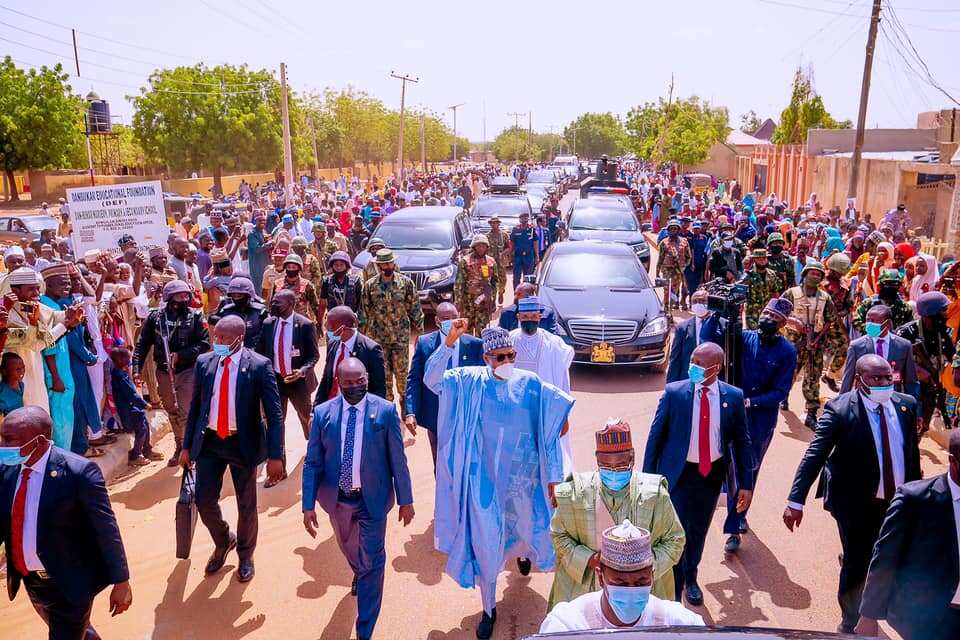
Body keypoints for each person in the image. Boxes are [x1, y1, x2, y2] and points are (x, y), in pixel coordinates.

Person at [425, 323, 574, 639]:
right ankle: (489, 608)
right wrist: (448, 344)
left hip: (523, 480)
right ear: (485, 358)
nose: (504, 362)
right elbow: (432, 379)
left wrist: (555, 478)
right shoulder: (469, 382)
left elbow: (554, 426)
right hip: (484, 484)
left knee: (522, 529)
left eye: (509, 356)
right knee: (486, 545)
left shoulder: (531, 385)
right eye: (497, 357)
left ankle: (522, 553)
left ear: (515, 355)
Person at [784, 354, 921, 634]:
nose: (884, 383)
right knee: (857, 561)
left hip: (897, 501)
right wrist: (795, 500)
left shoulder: (905, 406)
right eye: (876, 378)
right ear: (859, 380)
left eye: (888, 377)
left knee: (889, 555)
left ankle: (880, 607)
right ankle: (851, 622)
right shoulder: (840, 409)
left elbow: (912, 455)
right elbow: (815, 455)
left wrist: (916, 493)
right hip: (855, 502)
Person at [301, 356, 415, 640]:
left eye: (360, 381)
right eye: (349, 383)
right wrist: (308, 505)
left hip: (372, 500)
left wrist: (406, 499)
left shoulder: (386, 411)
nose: (356, 387)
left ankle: (365, 629)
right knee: (349, 549)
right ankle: (359, 569)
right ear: (338, 383)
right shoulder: (324, 414)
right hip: (338, 500)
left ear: (367, 379)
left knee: (372, 563)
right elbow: (313, 462)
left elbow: (398, 460)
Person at [0, 406, 132, 638]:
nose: (2, 445)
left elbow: (106, 529)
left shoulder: (78, 473)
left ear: (39, 441)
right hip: (31, 581)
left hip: (69, 582)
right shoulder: (8, 470)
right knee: (75, 630)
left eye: (8, 439)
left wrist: (121, 581)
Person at [642, 342, 753, 606]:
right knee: (676, 530)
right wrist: (647, 479)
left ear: (717, 368)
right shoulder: (675, 393)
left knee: (698, 531)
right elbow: (655, 438)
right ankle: (674, 586)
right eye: (693, 360)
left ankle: (691, 577)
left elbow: (742, 442)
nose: (694, 366)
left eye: (701, 364)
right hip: (677, 474)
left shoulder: (733, 397)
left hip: (710, 475)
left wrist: (746, 484)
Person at [180, 316, 285, 583]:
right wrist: (186, 447)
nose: (217, 342)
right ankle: (224, 539)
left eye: (223, 339)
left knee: (246, 504)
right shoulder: (205, 362)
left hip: (243, 444)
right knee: (204, 500)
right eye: (215, 337)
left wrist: (275, 456)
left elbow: (274, 415)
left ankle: (246, 555)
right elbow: (195, 408)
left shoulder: (260, 366)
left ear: (239, 338)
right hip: (211, 443)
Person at [548, 420, 685, 609]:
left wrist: (642, 568)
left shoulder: (654, 495)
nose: (613, 472)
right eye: (605, 466)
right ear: (597, 460)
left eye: (620, 466)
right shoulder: (575, 494)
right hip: (588, 591)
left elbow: (675, 540)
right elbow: (558, 534)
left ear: (632, 458)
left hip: (641, 593)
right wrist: (588, 559)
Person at [857, 429, 960, 639]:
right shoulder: (915, 499)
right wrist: (869, 614)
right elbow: (885, 557)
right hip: (926, 617)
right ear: (953, 461)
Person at [723, 298, 797, 553]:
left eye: (774, 317)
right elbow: (719, 338)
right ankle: (731, 509)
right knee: (725, 466)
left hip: (759, 421)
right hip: (731, 415)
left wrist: (750, 402)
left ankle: (735, 523)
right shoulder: (743, 338)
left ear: (783, 323)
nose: (767, 318)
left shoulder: (787, 352)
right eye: (766, 312)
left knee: (749, 469)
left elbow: (780, 392)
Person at [540, 519, 704, 632]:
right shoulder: (569, 625)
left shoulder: (676, 622)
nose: (631, 590)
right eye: (620, 583)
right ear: (601, 577)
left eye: (641, 582)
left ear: (652, 576)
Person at [135, 280, 210, 466]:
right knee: (172, 409)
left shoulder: (196, 317)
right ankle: (179, 444)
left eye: (186, 295)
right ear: (170, 297)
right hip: (163, 370)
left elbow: (204, 344)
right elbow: (142, 345)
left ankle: (191, 449)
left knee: (186, 410)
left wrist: (181, 355)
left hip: (188, 370)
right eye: (180, 295)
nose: (184, 299)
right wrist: (136, 369)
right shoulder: (155, 318)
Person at [404, 302, 483, 470]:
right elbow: (415, 379)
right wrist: (410, 411)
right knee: (440, 464)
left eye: (455, 317)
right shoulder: (425, 343)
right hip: (436, 414)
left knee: (466, 462)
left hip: (465, 414)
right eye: (446, 319)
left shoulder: (475, 345)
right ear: (437, 321)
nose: (452, 322)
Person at [258, 289, 319, 486]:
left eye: (279, 303)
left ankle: (318, 452)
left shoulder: (305, 325)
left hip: (298, 382)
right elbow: (260, 352)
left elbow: (314, 356)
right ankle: (278, 470)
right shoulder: (268, 324)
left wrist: (301, 371)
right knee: (275, 423)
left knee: (307, 417)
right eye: (273, 301)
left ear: (291, 304)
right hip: (275, 382)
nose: (274, 305)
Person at [2, 268, 82, 416]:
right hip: (17, 376)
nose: (36, 293)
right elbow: (36, 343)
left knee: (41, 416)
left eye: (38, 288)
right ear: (15, 291)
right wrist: (65, 324)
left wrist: (71, 313)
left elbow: (53, 316)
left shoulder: (30, 306)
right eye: (31, 289)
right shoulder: (6, 314)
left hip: (36, 373)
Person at [510, 295, 576, 474]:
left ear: (539, 317)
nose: (529, 321)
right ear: (519, 318)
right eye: (525, 318)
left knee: (546, 454)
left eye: (533, 317)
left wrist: (562, 412)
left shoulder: (553, 344)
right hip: (517, 409)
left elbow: (565, 366)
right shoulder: (509, 342)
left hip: (545, 408)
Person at [359, 249, 423, 403]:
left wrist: (420, 333)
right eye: (384, 263)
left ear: (394, 263)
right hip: (378, 339)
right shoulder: (369, 286)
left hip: (400, 338)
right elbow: (364, 312)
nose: (387, 265)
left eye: (390, 262)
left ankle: (405, 404)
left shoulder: (406, 283)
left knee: (402, 376)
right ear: (379, 266)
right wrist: (362, 337)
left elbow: (415, 308)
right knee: (383, 376)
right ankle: (388, 408)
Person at [782, 261, 837, 428]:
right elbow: (779, 313)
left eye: (819, 274)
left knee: (813, 377)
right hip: (793, 342)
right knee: (790, 373)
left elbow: (830, 320)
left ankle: (811, 413)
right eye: (812, 273)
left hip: (815, 344)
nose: (815, 276)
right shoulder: (791, 293)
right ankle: (783, 396)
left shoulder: (825, 298)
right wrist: (794, 323)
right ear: (804, 275)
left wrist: (818, 338)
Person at [897, 291, 955, 433]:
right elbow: (890, 363)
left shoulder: (946, 333)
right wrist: (914, 370)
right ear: (931, 314)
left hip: (930, 388)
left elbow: (953, 356)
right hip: (905, 388)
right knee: (903, 427)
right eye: (943, 311)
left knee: (921, 428)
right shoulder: (906, 333)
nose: (946, 314)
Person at [840, 304, 920, 404]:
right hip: (865, 402)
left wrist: (916, 409)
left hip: (893, 402)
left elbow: (911, 381)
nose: (868, 324)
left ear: (887, 324)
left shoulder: (903, 346)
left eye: (873, 321)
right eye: (867, 320)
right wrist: (841, 406)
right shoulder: (856, 346)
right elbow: (847, 380)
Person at [316, 305, 386, 403]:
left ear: (342, 328)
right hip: (333, 404)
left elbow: (378, 389)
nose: (326, 329)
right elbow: (326, 379)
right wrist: (315, 410)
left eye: (329, 327)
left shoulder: (371, 350)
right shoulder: (333, 344)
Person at [110, 346, 163, 466]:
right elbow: (131, 394)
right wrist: (144, 404)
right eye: (128, 358)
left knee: (145, 426)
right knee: (141, 430)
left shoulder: (120, 373)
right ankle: (136, 455)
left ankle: (147, 450)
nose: (130, 361)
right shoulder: (120, 376)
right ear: (120, 360)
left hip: (134, 408)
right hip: (129, 409)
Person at [665, 289, 726, 383]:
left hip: (715, 380)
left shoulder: (722, 325)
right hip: (688, 380)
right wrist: (670, 385)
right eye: (695, 301)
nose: (698, 304)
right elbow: (675, 359)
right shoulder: (682, 328)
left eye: (702, 301)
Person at [454, 234, 499, 336]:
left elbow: (495, 282)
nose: (481, 248)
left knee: (482, 332)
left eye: (483, 246)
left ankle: (480, 352)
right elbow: (459, 283)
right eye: (478, 246)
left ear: (487, 247)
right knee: (466, 332)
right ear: (474, 247)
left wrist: (492, 298)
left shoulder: (491, 262)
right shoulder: (465, 261)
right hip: (468, 303)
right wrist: (458, 301)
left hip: (483, 304)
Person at [209, 277, 268, 349]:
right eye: (234, 296)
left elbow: (268, 338)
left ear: (248, 295)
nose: (236, 299)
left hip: (254, 353)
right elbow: (216, 336)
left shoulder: (260, 312)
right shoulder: (225, 311)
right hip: (231, 352)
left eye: (239, 296)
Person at [854, 268, 914, 333]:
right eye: (887, 284)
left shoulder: (904, 307)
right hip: (871, 339)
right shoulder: (868, 303)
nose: (891, 287)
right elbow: (856, 320)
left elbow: (910, 325)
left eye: (895, 284)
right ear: (881, 285)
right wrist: (873, 330)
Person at [655, 219, 691, 312]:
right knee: (667, 291)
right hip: (667, 271)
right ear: (668, 230)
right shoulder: (664, 242)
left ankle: (669, 310)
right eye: (671, 229)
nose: (673, 231)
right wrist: (657, 273)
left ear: (678, 230)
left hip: (678, 272)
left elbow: (688, 257)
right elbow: (660, 258)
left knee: (674, 292)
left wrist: (683, 267)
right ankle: (666, 310)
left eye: (675, 229)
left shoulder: (684, 242)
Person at [743, 248, 782, 329]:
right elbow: (742, 296)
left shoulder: (772, 274)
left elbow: (775, 293)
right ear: (754, 260)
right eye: (759, 258)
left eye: (764, 258)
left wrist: (776, 311)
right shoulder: (748, 275)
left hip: (767, 314)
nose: (762, 260)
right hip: (752, 314)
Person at [318, 251, 362, 320]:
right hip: (333, 320)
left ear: (347, 266)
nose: (339, 268)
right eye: (336, 265)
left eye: (341, 265)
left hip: (351, 320)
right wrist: (320, 322)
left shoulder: (355, 281)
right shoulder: (326, 281)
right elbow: (322, 304)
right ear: (332, 266)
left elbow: (361, 304)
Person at [485, 216, 511, 305]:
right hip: (490, 263)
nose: (494, 224)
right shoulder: (486, 236)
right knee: (490, 280)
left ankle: (501, 292)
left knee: (503, 279)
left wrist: (503, 253)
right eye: (492, 223)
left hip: (501, 262)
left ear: (499, 223)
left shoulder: (504, 235)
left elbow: (509, 247)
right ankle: (493, 298)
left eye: (495, 222)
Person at [510, 212, 539, 287]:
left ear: (528, 219)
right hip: (518, 256)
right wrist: (510, 254)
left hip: (529, 256)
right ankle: (517, 295)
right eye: (522, 218)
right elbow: (512, 243)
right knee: (516, 277)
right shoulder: (515, 229)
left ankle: (527, 295)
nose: (524, 220)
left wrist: (537, 255)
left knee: (528, 277)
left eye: (526, 218)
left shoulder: (531, 229)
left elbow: (535, 242)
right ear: (520, 220)